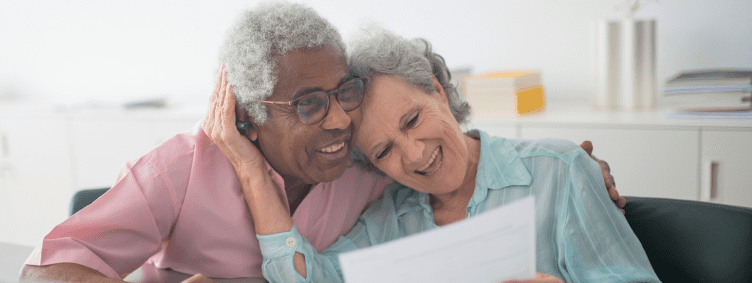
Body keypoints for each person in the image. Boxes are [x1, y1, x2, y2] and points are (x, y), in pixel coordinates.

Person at [20, 3, 623, 282]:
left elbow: (444, 156)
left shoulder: (367, 168)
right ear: (251, 117)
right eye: (309, 103)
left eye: (345, 93)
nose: (338, 121)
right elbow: (55, 267)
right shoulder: (183, 168)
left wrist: (569, 165)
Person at [254, 31, 659, 282]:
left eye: (412, 120)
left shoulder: (559, 171)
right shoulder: (390, 220)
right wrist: (252, 174)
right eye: (383, 151)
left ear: (437, 90)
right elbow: (312, 280)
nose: (414, 155)